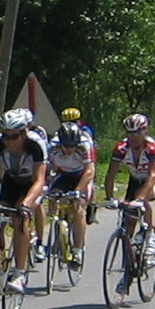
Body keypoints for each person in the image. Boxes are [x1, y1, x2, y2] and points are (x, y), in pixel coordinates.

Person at [0, 108, 51, 283]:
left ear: (24, 133)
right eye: (5, 136)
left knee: (20, 219)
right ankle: (0, 263)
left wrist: (27, 203)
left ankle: (19, 273)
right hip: (11, 180)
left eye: (14, 137)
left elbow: (39, 181)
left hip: (31, 183)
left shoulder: (35, 144)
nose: (9, 141)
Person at [45, 108, 97, 259]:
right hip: (63, 175)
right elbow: (47, 168)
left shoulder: (85, 143)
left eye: (72, 146)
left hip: (81, 176)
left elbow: (89, 171)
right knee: (54, 196)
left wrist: (78, 190)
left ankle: (78, 249)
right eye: (66, 146)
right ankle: (58, 234)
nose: (69, 149)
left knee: (79, 207)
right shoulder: (53, 146)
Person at [105, 113, 155, 231]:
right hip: (135, 179)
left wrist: (140, 198)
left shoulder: (152, 148)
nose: (133, 137)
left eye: (137, 133)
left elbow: (153, 175)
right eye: (130, 133)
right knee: (128, 221)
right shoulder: (121, 148)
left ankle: (149, 233)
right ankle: (128, 241)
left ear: (145, 132)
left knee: (140, 198)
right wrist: (109, 197)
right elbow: (111, 174)